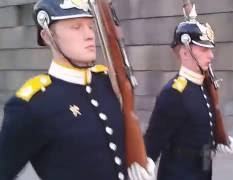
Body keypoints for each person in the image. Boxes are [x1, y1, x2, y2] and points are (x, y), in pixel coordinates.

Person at [0, 0, 154, 179]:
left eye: (90, 26)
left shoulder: (107, 82)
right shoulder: (32, 105)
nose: (89, 35)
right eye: (76, 27)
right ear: (48, 35)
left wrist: (139, 162)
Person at [144, 15, 233, 180]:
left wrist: (219, 138)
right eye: (204, 49)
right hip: (180, 173)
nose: (211, 56)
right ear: (185, 53)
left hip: (203, 169)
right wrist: (147, 162)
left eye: (210, 49)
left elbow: (199, 124)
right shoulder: (174, 93)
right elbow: (153, 141)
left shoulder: (203, 86)